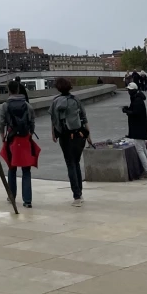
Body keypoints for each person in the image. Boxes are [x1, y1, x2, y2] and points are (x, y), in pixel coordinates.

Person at [0, 78, 40, 209]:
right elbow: (32, 122)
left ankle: (12, 196)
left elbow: (1, 123)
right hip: (25, 139)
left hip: (12, 139)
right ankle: (27, 200)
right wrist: (30, 133)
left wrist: (3, 136)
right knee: (26, 170)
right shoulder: (27, 106)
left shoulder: (5, 106)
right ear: (18, 89)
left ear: (9, 91)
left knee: (12, 168)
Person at [50, 77, 90, 205]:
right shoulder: (76, 100)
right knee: (76, 162)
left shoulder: (55, 101)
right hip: (79, 135)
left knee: (70, 164)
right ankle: (80, 193)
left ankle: (76, 196)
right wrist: (88, 136)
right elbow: (84, 118)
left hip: (65, 136)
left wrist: (54, 134)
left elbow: (53, 120)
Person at [122, 82, 147, 178]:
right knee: (143, 149)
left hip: (138, 129)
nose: (128, 92)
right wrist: (128, 109)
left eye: (129, 90)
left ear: (132, 91)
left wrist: (127, 111)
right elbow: (135, 111)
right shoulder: (137, 99)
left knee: (140, 150)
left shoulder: (137, 100)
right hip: (140, 128)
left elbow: (135, 113)